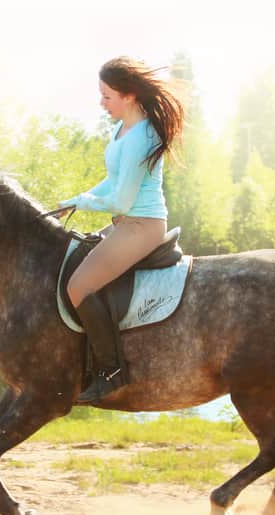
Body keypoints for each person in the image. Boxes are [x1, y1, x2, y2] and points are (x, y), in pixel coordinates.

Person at [58, 56, 185, 404]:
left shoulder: (142, 136)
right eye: (101, 95)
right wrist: (74, 199)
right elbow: (113, 181)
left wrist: (84, 202)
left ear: (129, 96)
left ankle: (112, 372)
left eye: (107, 96)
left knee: (79, 285)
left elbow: (123, 201)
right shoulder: (122, 130)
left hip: (141, 225)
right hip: (126, 224)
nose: (101, 103)